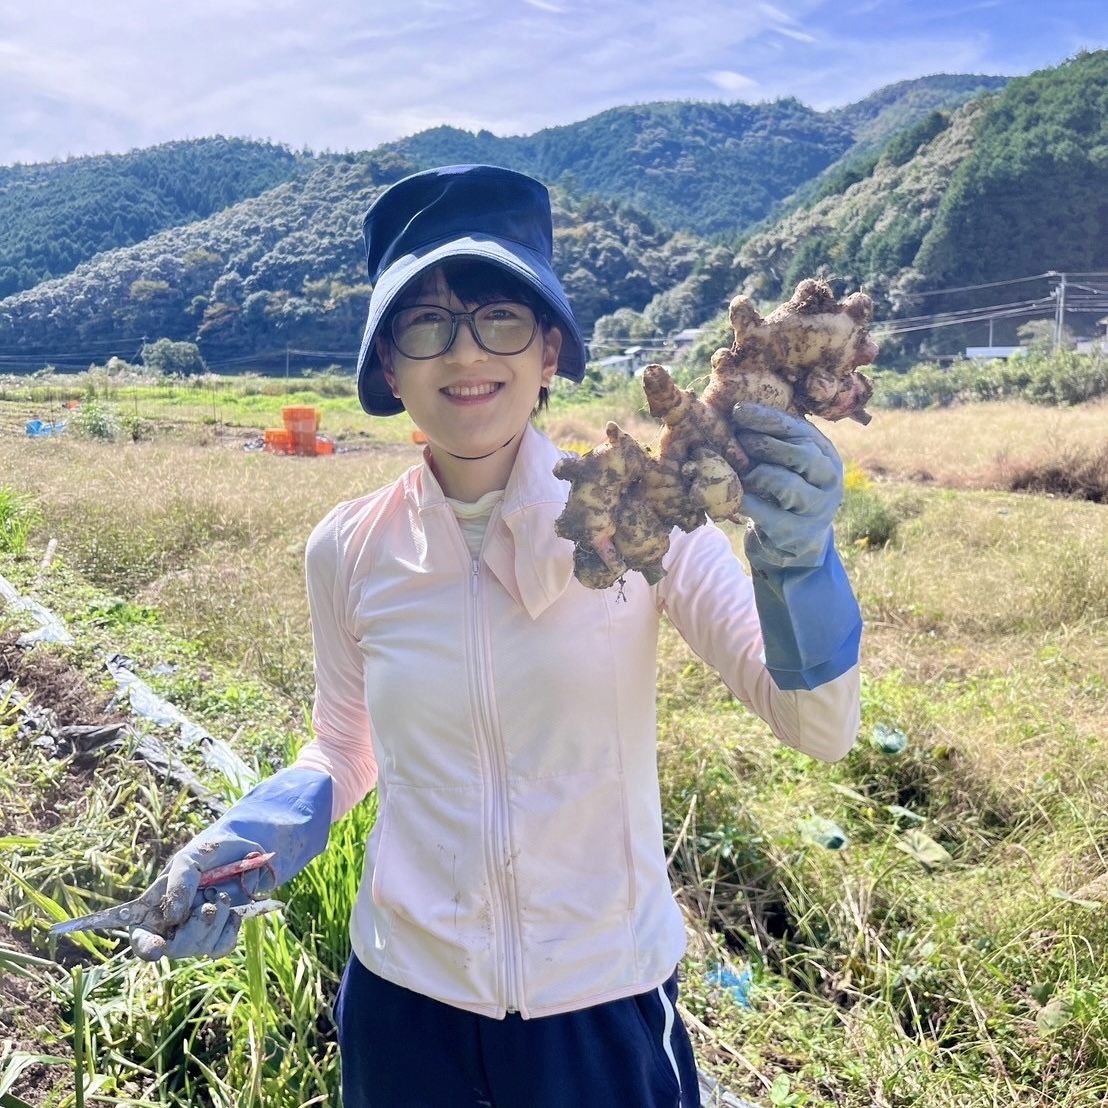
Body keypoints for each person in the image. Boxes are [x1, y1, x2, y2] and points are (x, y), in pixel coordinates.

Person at [130, 164, 863, 1108]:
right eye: (426, 322)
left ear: (550, 351)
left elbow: (819, 728)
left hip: (600, 1007)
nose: (465, 352)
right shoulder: (349, 548)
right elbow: (345, 748)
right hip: (403, 1009)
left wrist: (799, 564)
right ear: (389, 365)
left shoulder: (641, 516)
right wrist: (255, 836)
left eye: (501, 317)